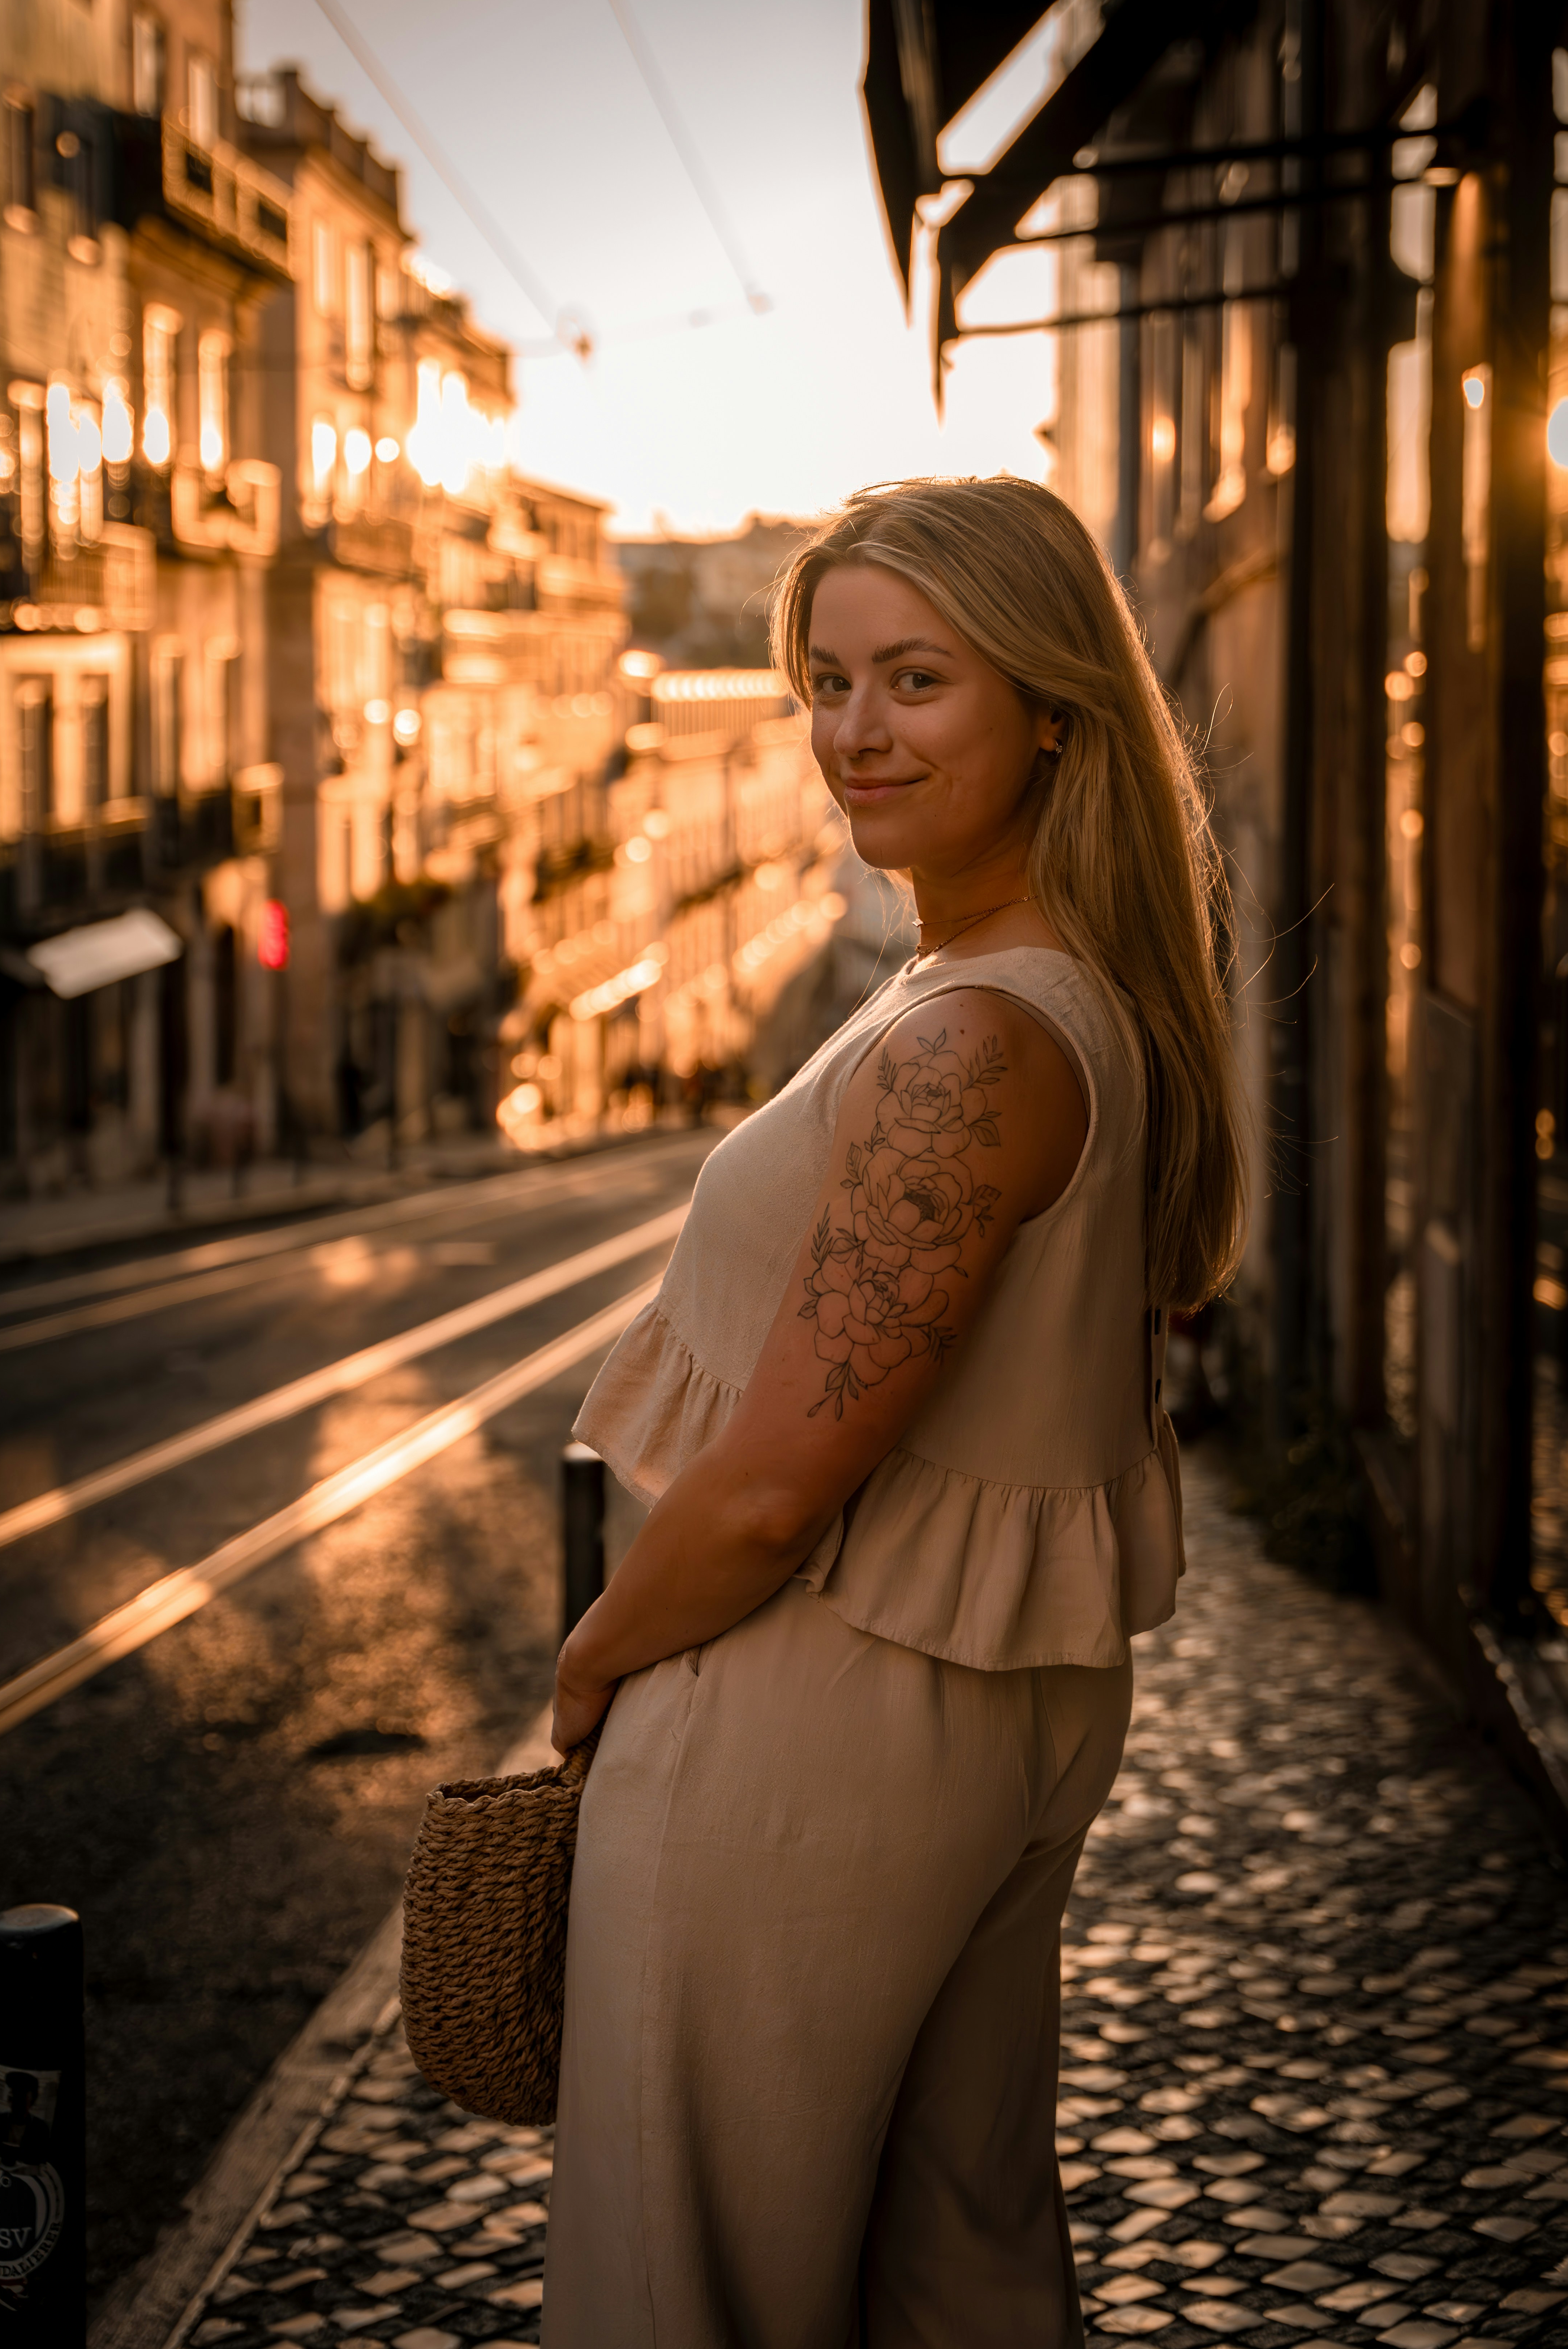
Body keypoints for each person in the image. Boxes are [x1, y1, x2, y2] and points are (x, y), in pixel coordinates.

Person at [542, 475, 1249, 2348]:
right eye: (826, 683)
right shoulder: (1063, 997)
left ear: (1051, 708)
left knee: (679, 2279)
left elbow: (776, 1489)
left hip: (808, 1718)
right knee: (960, 2269)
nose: (855, 734)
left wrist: (597, 1664)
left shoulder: (963, 1043)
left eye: (917, 680)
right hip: (985, 1716)